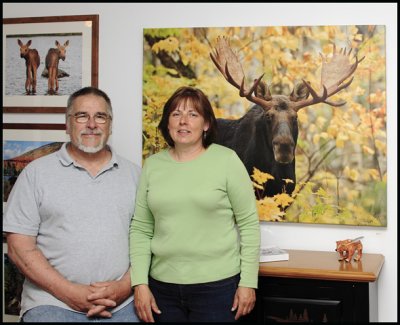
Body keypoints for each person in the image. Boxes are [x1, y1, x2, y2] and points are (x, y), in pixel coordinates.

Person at [3, 86, 141, 322]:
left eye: (100, 116)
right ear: (67, 124)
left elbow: (147, 240)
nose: (92, 124)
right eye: (81, 116)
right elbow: (18, 246)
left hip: (122, 304)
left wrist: (124, 288)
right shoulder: (36, 174)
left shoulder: (135, 176)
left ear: (110, 125)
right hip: (52, 303)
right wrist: (70, 293)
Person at [129, 86, 261, 322]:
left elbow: (249, 224)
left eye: (193, 115)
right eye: (176, 114)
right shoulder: (153, 166)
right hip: (162, 289)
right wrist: (140, 283)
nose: (183, 122)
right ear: (167, 123)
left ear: (207, 124)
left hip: (217, 289)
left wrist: (248, 282)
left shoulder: (227, 160)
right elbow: (141, 228)